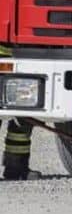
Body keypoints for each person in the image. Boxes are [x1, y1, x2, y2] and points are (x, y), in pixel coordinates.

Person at [0, 44, 38, 180]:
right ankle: (16, 167)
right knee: (23, 116)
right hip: (20, 56)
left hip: (21, 57)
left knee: (24, 115)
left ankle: (16, 168)